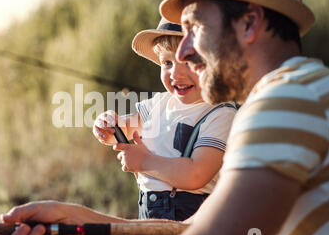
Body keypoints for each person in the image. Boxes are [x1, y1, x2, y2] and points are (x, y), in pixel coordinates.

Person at [0, 0, 329, 235]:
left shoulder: (288, 99)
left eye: (195, 28)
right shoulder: (293, 97)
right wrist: (74, 222)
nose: (184, 50)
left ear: (249, 22)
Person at [92, 18, 236, 221]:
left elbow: (196, 174)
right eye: (167, 62)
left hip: (192, 217)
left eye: (188, 61)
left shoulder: (220, 114)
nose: (176, 73)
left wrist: (144, 161)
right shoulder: (158, 104)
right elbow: (125, 130)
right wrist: (108, 127)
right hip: (149, 210)